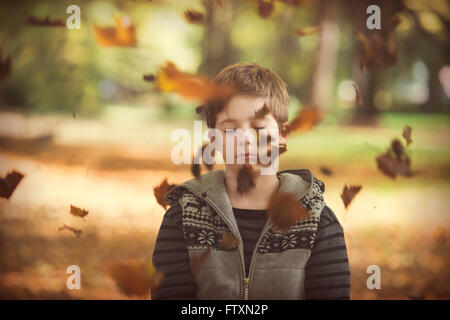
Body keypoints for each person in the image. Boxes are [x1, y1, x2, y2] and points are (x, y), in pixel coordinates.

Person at [151, 62, 350, 300]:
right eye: (229, 129)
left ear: (283, 133)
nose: (245, 138)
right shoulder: (182, 219)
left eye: (258, 126)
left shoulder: (318, 222)